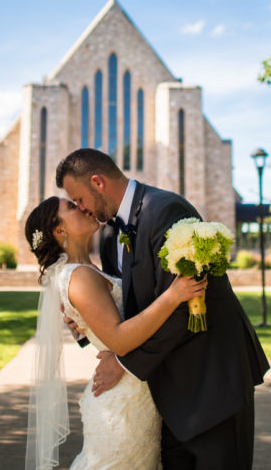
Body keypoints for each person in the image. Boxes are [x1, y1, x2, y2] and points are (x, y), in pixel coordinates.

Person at [56, 148, 269, 469]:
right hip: (162, 392)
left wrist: (125, 363)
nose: (81, 208)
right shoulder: (111, 233)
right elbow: (127, 310)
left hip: (212, 379)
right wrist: (86, 326)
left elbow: (186, 306)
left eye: (78, 198)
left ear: (97, 182)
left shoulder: (166, 209)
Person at [24, 195, 208, 470]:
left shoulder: (84, 270)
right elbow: (120, 340)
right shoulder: (80, 276)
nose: (83, 207)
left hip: (135, 396)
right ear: (59, 231)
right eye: (72, 207)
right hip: (122, 407)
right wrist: (174, 295)